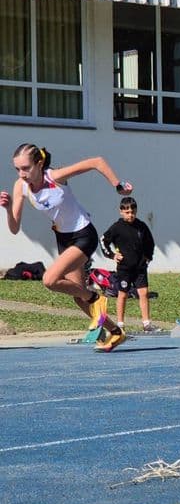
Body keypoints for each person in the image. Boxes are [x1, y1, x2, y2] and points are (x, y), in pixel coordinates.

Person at [1, 144, 132, 352]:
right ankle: (116, 332)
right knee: (79, 298)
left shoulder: (55, 177)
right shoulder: (21, 186)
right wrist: (8, 209)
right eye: (17, 169)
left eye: (25, 168)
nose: (21, 174)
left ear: (40, 164)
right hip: (63, 238)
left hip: (83, 235)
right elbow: (15, 228)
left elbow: (96, 161)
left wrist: (118, 185)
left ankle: (96, 297)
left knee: (50, 279)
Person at [100, 196, 157, 332]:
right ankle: (120, 323)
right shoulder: (116, 227)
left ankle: (146, 323)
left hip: (140, 267)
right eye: (127, 212)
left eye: (133, 212)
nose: (130, 215)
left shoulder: (141, 226)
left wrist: (148, 257)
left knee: (143, 293)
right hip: (124, 268)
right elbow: (103, 241)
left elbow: (150, 242)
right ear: (121, 211)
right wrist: (112, 255)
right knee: (123, 294)